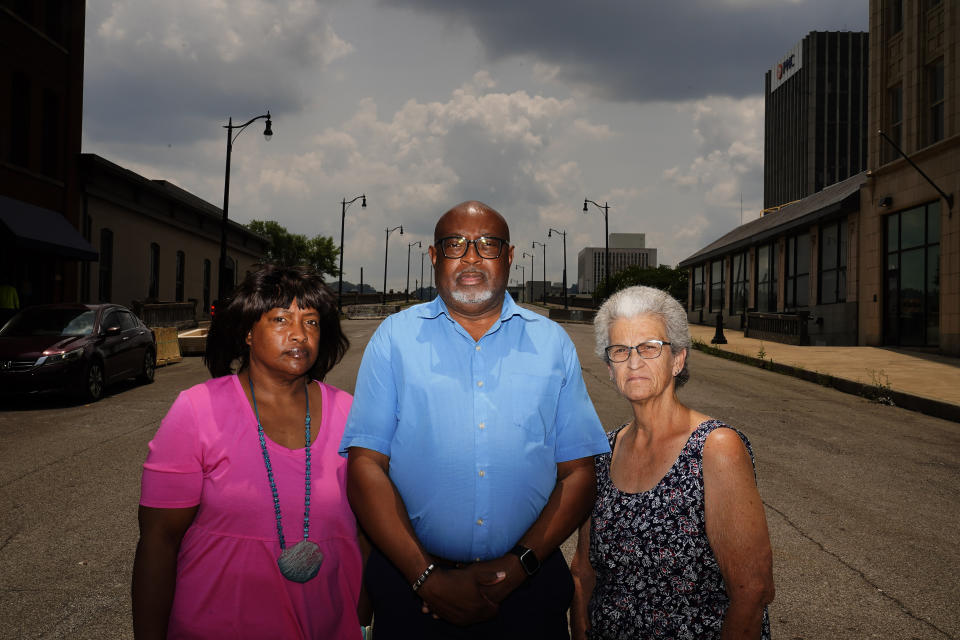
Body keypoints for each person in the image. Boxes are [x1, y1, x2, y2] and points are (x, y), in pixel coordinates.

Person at [341, 201, 610, 639]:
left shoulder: (551, 344)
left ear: (509, 257)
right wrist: (426, 576)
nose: (471, 256)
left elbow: (579, 472)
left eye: (487, 245)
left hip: (528, 587)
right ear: (434, 257)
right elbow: (365, 466)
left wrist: (517, 567)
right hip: (413, 589)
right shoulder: (394, 339)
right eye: (455, 244)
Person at [132, 264, 365, 639]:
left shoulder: (350, 414)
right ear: (247, 333)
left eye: (311, 322)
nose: (299, 335)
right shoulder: (197, 410)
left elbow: (368, 535)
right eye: (280, 319)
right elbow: (159, 542)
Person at [570, 285, 775, 640]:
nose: (634, 362)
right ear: (609, 367)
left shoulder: (715, 448)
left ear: (678, 358)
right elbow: (584, 568)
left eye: (649, 347)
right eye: (620, 350)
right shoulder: (604, 452)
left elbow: (752, 590)